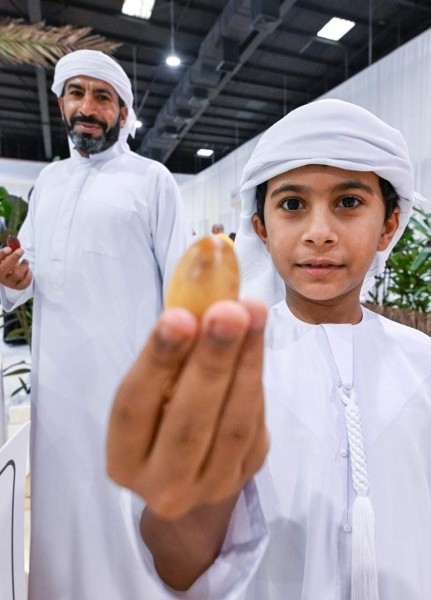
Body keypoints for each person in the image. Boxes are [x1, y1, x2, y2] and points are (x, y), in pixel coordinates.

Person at [106, 99, 431, 600]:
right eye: (292, 204)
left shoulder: (421, 364)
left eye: (348, 202)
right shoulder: (224, 368)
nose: (319, 233)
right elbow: (176, 565)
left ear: (388, 224)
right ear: (261, 227)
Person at [0, 50, 189, 599]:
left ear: (124, 113)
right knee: (62, 514)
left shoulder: (152, 181)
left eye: (103, 96)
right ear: (61, 102)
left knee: (130, 520)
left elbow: (181, 286)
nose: (88, 107)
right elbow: (29, 276)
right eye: (76, 93)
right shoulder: (51, 183)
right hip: (57, 395)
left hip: (131, 390)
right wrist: (13, 283)